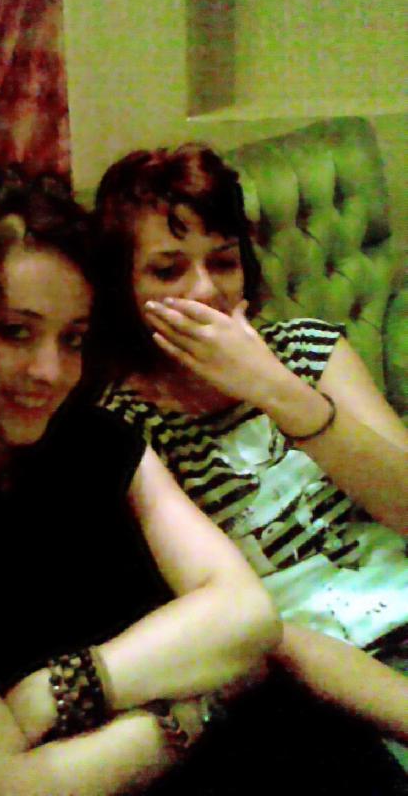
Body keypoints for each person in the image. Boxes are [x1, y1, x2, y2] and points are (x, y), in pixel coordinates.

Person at [0, 166, 282, 796]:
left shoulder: (98, 438)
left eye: (73, 339)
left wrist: (61, 689)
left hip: (265, 752)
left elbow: (248, 615)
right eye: (16, 332)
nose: (50, 371)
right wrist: (195, 706)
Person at [93, 143, 408, 749]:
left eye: (223, 262)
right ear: (123, 288)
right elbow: (247, 628)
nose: (204, 290)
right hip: (333, 690)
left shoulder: (306, 350)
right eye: (168, 271)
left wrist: (274, 388)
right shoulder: (123, 427)